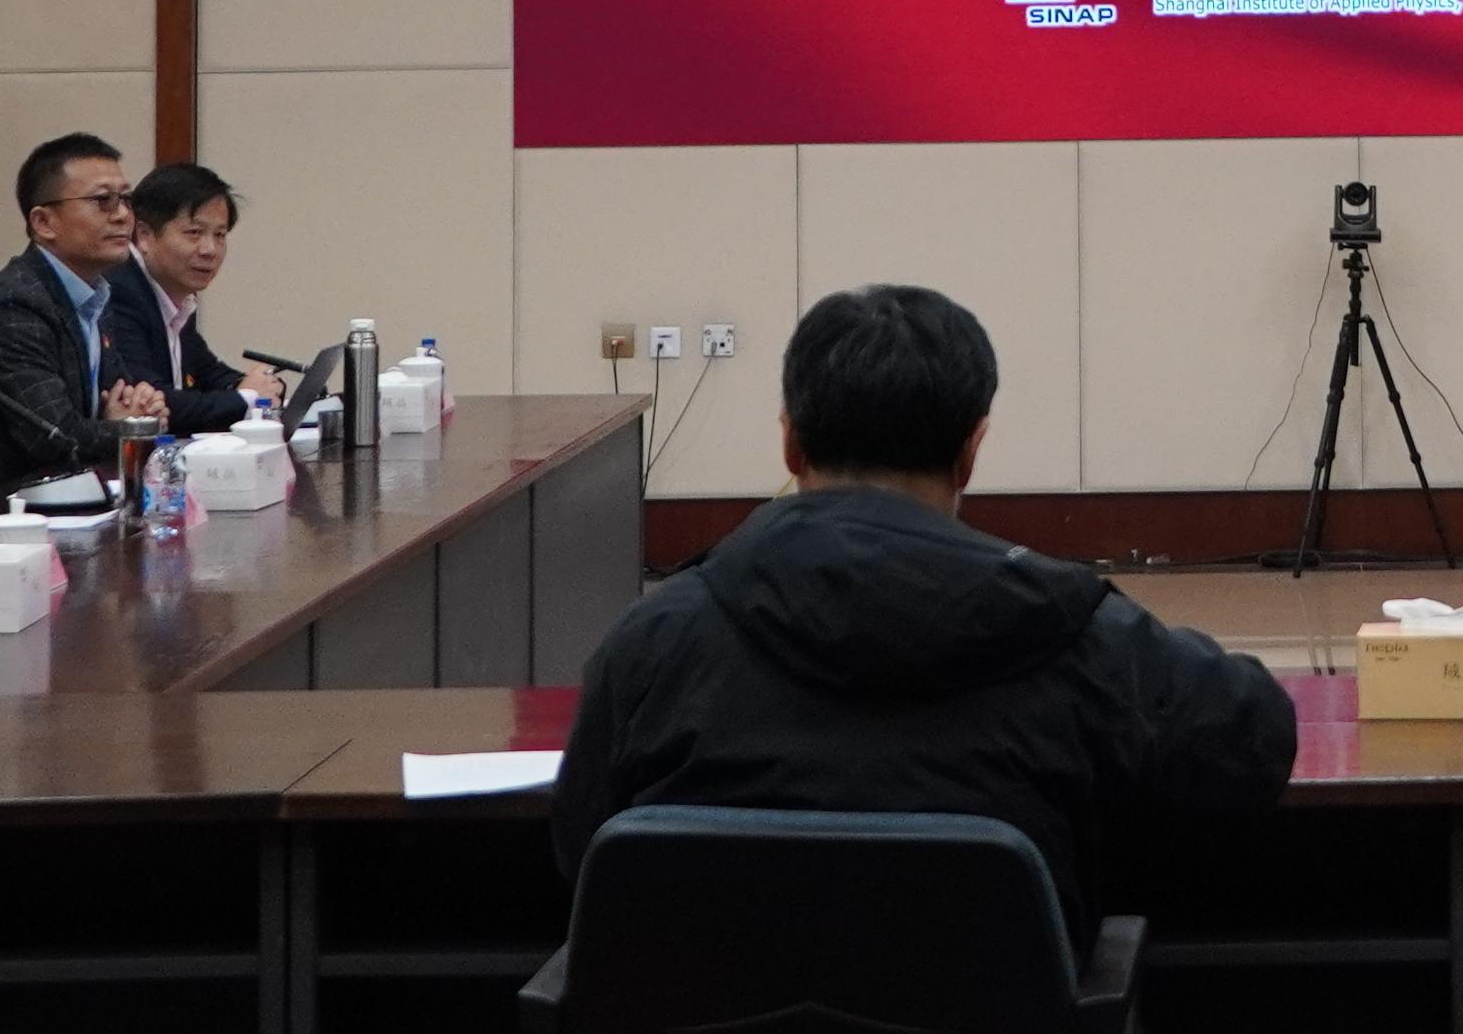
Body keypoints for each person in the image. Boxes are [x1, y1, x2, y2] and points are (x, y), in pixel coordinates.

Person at [552, 284, 1291, 925]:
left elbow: (581, 849)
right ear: (971, 451)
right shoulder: (1084, 636)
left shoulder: (654, 641)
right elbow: (1250, 740)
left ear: (791, 444)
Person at [0, 132, 156, 501]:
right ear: (43, 222)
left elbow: (123, 397)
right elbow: (57, 436)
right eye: (102, 201)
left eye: (126, 199)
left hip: (74, 502)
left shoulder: (95, 294)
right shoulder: (15, 305)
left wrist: (140, 409)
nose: (123, 215)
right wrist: (137, 428)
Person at [99, 162, 268, 436]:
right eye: (194, 233)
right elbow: (156, 400)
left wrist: (258, 385)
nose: (209, 250)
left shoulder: (173, 294)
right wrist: (247, 398)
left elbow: (209, 372)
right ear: (144, 236)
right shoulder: (120, 292)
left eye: (220, 235)